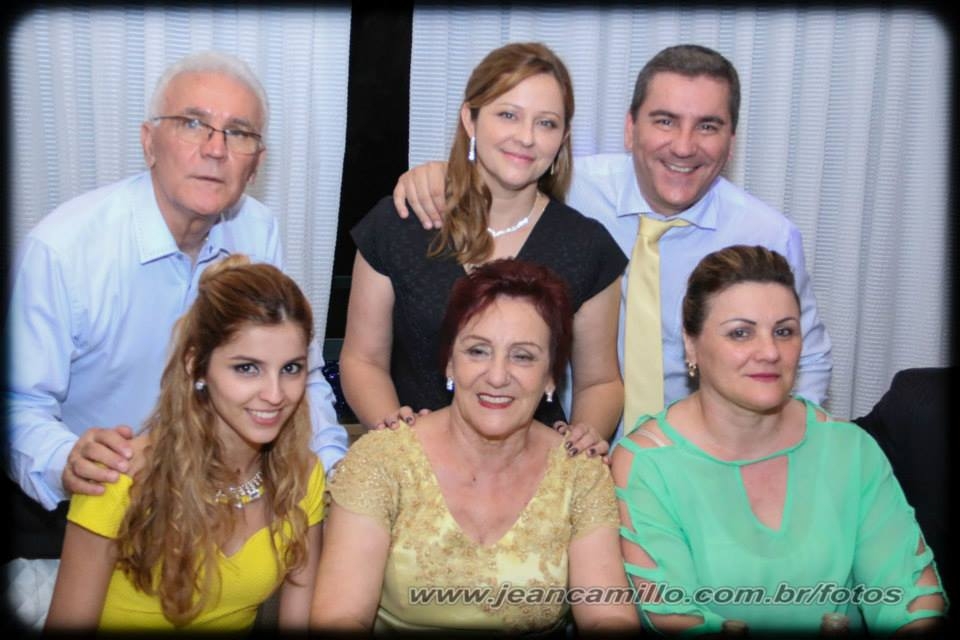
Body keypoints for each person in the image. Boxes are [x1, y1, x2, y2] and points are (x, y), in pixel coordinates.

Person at [3, 50, 346, 625]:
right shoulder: (64, 250)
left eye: (238, 133)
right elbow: (17, 404)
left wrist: (331, 478)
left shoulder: (258, 229)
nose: (215, 148)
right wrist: (69, 461)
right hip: (89, 514)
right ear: (149, 141)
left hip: (222, 506)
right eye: (192, 123)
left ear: (256, 164)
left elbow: (296, 369)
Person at [391, 43, 832, 436]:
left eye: (707, 126)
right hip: (577, 447)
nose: (683, 146)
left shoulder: (767, 236)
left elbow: (807, 363)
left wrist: (782, 452)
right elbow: (501, 171)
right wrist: (434, 178)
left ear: (731, 142)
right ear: (630, 128)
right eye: (665, 121)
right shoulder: (570, 191)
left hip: (709, 456)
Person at [610, 245, 945, 634]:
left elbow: (910, 596)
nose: (770, 352)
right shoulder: (647, 462)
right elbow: (674, 614)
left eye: (784, 331)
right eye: (741, 333)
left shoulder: (849, 449)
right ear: (691, 343)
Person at [311, 259, 638, 634]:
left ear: (551, 376)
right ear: (450, 363)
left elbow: (606, 613)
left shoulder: (580, 472)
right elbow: (341, 614)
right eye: (478, 351)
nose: (497, 376)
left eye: (522, 356)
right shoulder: (381, 461)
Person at [341, 42, 627, 455]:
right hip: (412, 462)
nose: (526, 137)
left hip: (535, 469)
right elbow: (362, 360)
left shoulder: (588, 247)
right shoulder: (400, 223)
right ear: (470, 119)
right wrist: (398, 445)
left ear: (563, 138)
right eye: (508, 115)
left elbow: (599, 381)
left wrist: (581, 443)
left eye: (546, 123)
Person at [44, 256, 323, 631]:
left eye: (291, 368)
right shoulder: (120, 474)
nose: (275, 394)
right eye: (247, 368)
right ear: (196, 365)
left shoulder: (302, 477)